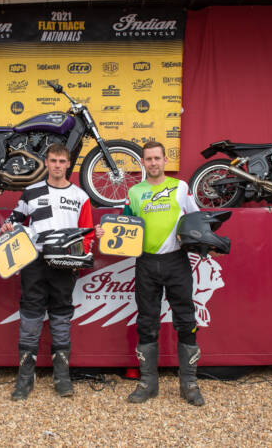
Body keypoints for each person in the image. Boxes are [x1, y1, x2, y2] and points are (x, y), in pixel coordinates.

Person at [95, 140, 205, 406]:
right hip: (145, 263)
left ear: (165, 160)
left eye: (157, 158)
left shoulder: (180, 187)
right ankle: (147, 383)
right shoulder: (134, 191)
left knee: (186, 320)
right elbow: (122, 224)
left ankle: (189, 384)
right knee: (146, 322)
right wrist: (103, 232)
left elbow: (198, 220)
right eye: (148, 159)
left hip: (177, 261)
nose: (153, 163)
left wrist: (208, 244)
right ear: (142, 163)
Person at [0, 143, 94, 401]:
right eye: (53, 161)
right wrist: (8, 227)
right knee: (30, 312)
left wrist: (78, 258)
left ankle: (62, 377)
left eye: (62, 162)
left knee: (62, 313)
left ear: (68, 164)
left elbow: (87, 231)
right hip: (35, 260)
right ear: (47, 162)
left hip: (64, 262)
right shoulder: (31, 191)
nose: (57, 166)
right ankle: (24, 378)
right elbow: (15, 219)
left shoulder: (80, 195)